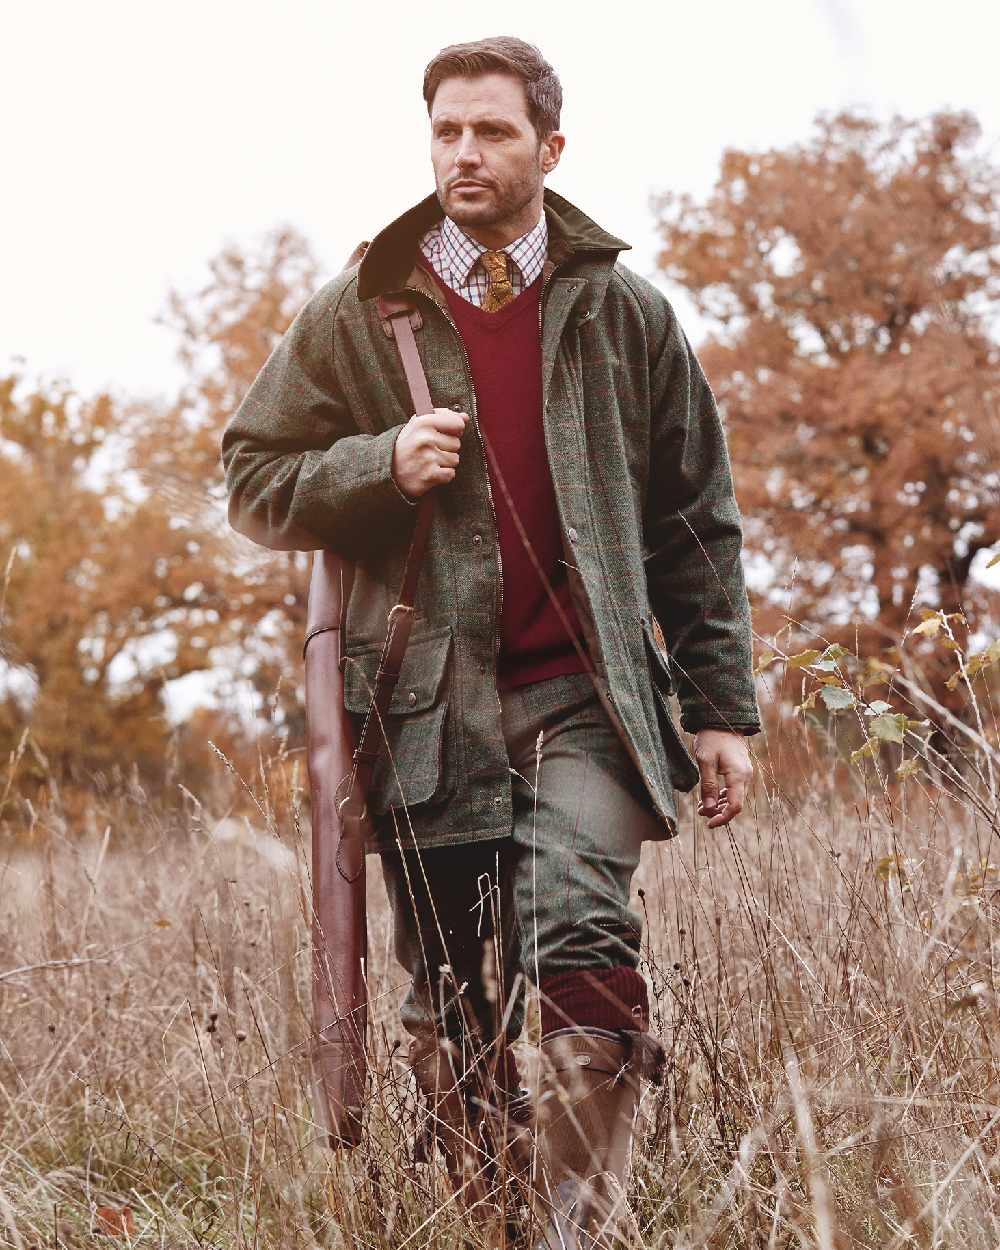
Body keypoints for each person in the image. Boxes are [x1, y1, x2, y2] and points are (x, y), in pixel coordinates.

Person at [222, 35, 759, 1247]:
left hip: (590, 696)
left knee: (578, 924)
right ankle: (494, 1219)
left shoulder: (622, 312)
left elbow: (696, 521)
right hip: (424, 706)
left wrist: (720, 706)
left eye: (492, 132)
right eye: (446, 131)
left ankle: (581, 1219)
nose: (464, 153)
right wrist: (377, 464)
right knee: (459, 996)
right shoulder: (365, 309)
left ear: (548, 149)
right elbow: (251, 478)